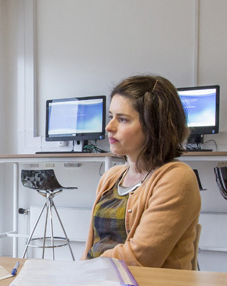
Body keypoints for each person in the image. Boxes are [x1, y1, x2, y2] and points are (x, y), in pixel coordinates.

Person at [81, 75, 201, 269]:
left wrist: (84, 270)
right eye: (111, 117)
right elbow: (93, 247)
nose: (109, 127)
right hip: (101, 281)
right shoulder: (111, 176)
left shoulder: (176, 177)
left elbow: (140, 258)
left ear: (154, 127)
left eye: (122, 119)